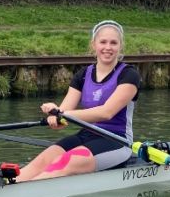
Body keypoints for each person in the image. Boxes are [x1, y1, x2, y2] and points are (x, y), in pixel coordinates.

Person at [17, 20, 141, 181]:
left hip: (117, 141)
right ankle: (10, 185)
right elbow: (63, 119)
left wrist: (62, 113)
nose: (108, 47)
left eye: (113, 43)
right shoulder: (83, 74)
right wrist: (55, 117)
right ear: (94, 44)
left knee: (63, 163)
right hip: (86, 135)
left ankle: (25, 193)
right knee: (41, 162)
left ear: (120, 46)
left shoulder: (130, 75)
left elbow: (106, 113)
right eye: (103, 42)